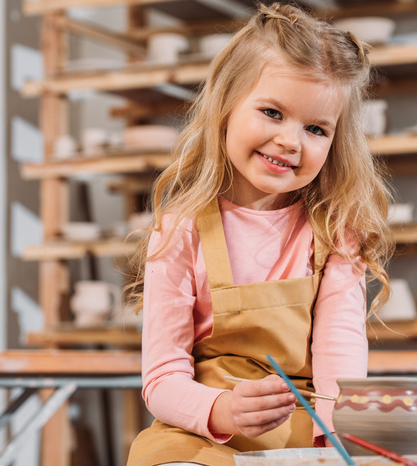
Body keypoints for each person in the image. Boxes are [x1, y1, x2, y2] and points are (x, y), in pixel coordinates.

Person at [125, 3, 394, 465]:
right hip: (201, 433)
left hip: (303, 431)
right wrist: (223, 411)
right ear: (226, 107)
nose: (291, 140)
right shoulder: (180, 229)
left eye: (315, 128)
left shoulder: (334, 234)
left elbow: (340, 364)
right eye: (272, 112)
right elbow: (162, 379)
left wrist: (336, 446)